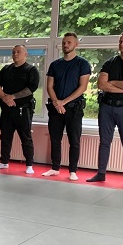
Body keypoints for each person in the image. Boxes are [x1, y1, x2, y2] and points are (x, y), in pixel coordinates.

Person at [87, 32, 123, 189]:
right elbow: (101, 84)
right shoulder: (110, 62)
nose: (122, 44)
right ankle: (101, 173)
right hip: (107, 106)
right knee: (104, 141)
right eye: (120, 41)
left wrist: (112, 83)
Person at [44, 33, 92, 181]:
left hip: (73, 108)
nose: (66, 45)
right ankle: (55, 168)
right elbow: (49, 86)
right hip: (56, 108)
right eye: (64, 42)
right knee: (55, 139)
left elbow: (82, 87)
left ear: (76, 44)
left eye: (69, 42)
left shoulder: (82, 64)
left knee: (74, 141)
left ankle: (73, 170)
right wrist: (56, 102)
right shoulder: (55, 65)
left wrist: (63, 102)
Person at [0, 45, 39, 174]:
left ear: (25, 54)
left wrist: (13, 96)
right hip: (7, 109)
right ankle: (4, 161)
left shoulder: (31, 70)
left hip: (23, 110)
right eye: (13, 52)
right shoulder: (6, 69)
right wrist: (5, 98)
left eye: (18, 52)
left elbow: (32, 88)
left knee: (25, 137)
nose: (15, 54)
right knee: (5, 136)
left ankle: (29, 164)